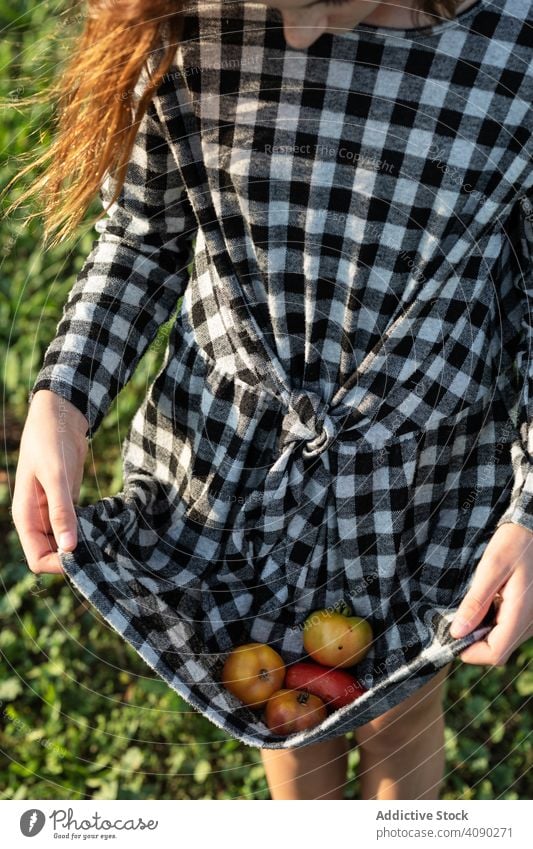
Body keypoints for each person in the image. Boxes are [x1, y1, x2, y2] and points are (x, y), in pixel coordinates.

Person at [10, 0, 533, 800]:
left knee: (400, 712)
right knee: (277, 705)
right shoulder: (196, 20)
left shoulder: (513, 46)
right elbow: (146, 234)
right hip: (240, 467)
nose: (290, 32)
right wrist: (65, 395)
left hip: (415, 481)